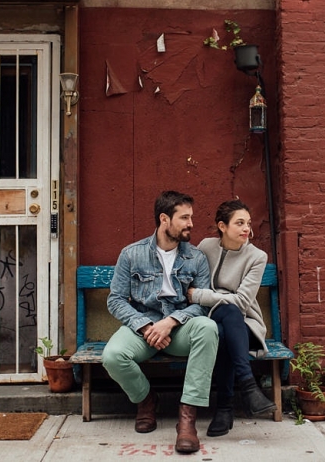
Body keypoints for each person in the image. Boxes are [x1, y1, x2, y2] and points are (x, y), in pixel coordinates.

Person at [102, 190, 219, 454]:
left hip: (179, 329)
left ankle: (187, 418)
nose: (191, 223)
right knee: (112, 355)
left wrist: (172, 321)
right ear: (164, 219)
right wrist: (144, 325)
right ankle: (146, 400)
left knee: (208, 328)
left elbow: (200, 303)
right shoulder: (132, 254)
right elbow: (116, 300)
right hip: (143, 327)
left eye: (191, 217)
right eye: (184, 217)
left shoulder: (196, 258)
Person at [187, 199, 277, 437]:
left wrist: (200, 295)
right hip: (210, 320)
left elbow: (242, 302)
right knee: (222, 324)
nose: (246, 228)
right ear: (222, 226)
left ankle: (226, 407)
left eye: (248, 223)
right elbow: (190, 277)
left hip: (245, 325)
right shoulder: (205, 247)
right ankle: (246, 390)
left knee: (229, 319)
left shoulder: (257, 256)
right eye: (239, 223)